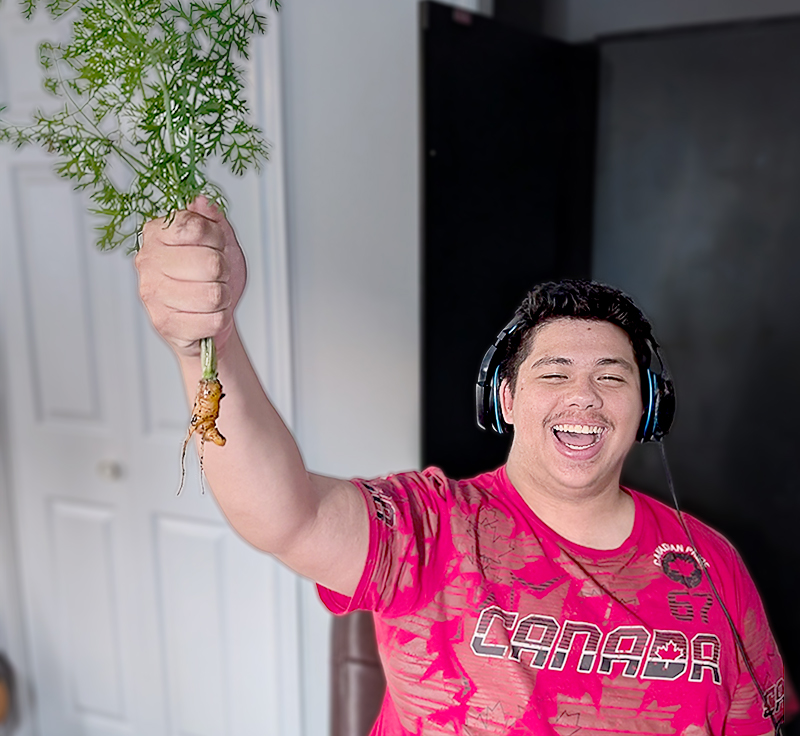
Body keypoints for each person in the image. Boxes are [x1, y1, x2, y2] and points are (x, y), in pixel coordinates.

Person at [136, 197, 788, 736]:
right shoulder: (434, 524)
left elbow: (764, 723)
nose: (583, 397)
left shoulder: (710, 562)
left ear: (647, 409)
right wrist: (207, 349)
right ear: (504, 399)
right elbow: (288, 516)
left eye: (611, 377)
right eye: (553, 373)